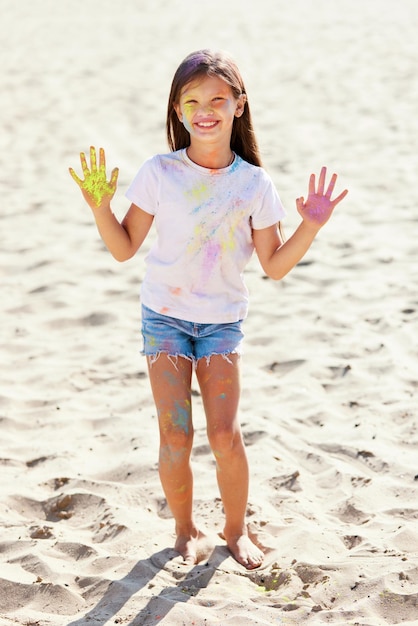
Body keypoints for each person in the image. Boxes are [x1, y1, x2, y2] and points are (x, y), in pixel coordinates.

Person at [69, 49, 348, 570]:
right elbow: (125, 247)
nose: (206, 109)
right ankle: (184, 527)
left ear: (239, 106)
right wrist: (100, 208)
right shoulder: (159, 172)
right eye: (192, 100)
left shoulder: (254, 184)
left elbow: (275, 265)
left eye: (218, 99)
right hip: (164, 319)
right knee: (175, 431)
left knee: (224, 434)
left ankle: (236, 530)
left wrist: (310, 226)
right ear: (177, 110)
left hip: (221, 324)